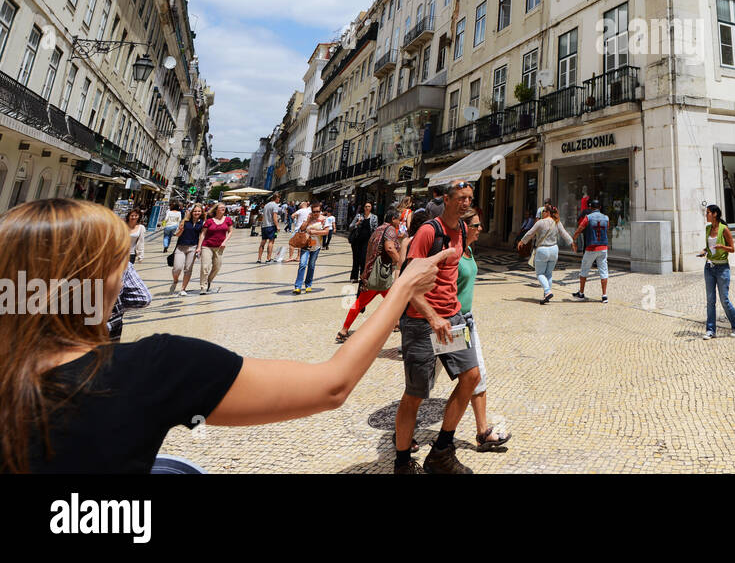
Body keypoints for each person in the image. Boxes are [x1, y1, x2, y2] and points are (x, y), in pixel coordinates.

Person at [3, 197, 446, 473]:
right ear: (95, 279)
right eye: (122, 264)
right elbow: (331, 387)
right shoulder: (153, 368)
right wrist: (403, 287)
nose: (128, 278)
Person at [394, 181, 481, 474]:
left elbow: (452, 275)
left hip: (452, 320)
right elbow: (407, 279)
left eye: (469, 199)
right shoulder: (429, 231)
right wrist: (432, 316)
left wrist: (456, 311)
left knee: (471, 377)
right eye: (460, 198)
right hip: (421, 324)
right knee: (416, 394)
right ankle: (403, 463)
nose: (465, 203)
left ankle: (442, 450)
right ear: (446, 199)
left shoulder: (461, 232)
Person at [457, 207, 511, 452]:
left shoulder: (468, 249)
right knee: (424, 385)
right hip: (450, 323)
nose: (481, 229)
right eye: (476, 225)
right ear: (464, 227)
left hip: (467, 322)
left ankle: (483, 431)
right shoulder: (452, 251)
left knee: (478, 375)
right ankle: (404, 432)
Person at [336, 207, 405, 342]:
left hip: (371, 274)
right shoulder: (390, 229)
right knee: (364, 303)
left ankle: (397, 323)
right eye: (399, 220)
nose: (400, 222)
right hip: (379, 277)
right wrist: (401, 263)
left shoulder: (378, 229)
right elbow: (389, 248)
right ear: (393, 219)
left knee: (391, 299)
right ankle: (343, 331)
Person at [699, 204, 735, 339]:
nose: (706, 215)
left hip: (722, 268)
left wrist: (721, 246)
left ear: (715, 214)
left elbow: (732, 248)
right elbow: (708, 246)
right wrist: (704, 251)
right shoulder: (707, 229)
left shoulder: (724, 229)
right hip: (709, 267)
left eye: (708, 213)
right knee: (710, 300)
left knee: (724, 300)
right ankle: (710, 330)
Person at [516, 203, 572, 303]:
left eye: (543, 211)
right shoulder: (557, 222)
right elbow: (564, 233)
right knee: (549, 273)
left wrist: (522, 241)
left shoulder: (540, 222)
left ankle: (547, 291)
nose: (542, 213)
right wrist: (571, 242)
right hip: (554, 250)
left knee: (540, 273)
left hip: (543, 250)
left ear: (548, 212)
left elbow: (530, 233)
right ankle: (546, 295)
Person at [572, 199, 611, 303]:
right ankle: (604, 295)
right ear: (600, 207)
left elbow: (580, 228)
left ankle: (581, 293)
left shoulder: (588, 218)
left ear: (590, 208)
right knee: (603, 270)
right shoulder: (606, 218)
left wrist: (574, 239)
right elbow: (607, 229)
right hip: (603, 248)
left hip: (591, 248)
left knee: (584, 269)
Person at [107, 259, 152, 342]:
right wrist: (116, 308)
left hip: (81, 336)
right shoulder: (121, 263)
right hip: (111, 328)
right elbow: (144, 298)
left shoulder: (77, 263)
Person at [197, 203, 234, 295]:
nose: (223, 209)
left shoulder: (228, 220)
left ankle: (209, 280)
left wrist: (225, 241)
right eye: (221, 208)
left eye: (224, 208)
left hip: (219, 247)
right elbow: (203, 234)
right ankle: (203, 287)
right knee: (205, 266)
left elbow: (230, 232)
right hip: (207, 246)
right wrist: (199, 247)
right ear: (216, 209)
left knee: (217, 266)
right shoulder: (209, 221)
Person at [169, 204, 206, 296]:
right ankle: (175, 280)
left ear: (201, 212)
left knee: (188, 269)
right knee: (177, 268)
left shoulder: (202, 223)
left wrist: (199, 248)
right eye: (195, 211)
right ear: (191, 212)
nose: (197, 213)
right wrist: (180, 230)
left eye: (199, 211)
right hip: (181, 247)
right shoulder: (185, 221)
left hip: (193, 247)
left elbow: (202, 235)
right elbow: (176, 235)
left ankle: (183, 289)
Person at [293, 204, 330, 295]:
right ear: (311, 211)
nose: (316, 213)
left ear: (320, 211)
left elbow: (326, 232)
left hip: (316, 245)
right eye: (314, 212)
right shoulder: (308, 218)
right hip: (306, 244)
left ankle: (308, 285)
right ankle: (298, 286)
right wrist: (308, 220)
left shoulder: (324, 219)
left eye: (318, 211)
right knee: (302, 264)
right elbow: (301, 228)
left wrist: (315, 232)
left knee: (311, 265)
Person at [347, 202, 379, 283]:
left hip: (367, 242)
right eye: (366, 206)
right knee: (356, 259)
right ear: (363, 207)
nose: (367, 208)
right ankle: (354, 277)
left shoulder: (374, 217)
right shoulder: (358, 216)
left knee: (363, 259)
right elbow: (350, 227)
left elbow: (375, 230)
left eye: (369, 206)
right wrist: (357, 223)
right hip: (357, 241)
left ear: (371, 207)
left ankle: (362, 276)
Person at [258, 192, 281, 264]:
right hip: (271, 226)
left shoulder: (266, 205)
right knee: (271, 242)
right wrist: (277, 226)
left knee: (263, 242)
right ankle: (268, 259)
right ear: (276, 198)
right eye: (279, 198)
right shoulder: (275, 205)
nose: (279, 200)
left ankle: (259, 258)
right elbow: (274, 216)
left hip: (264, 226)